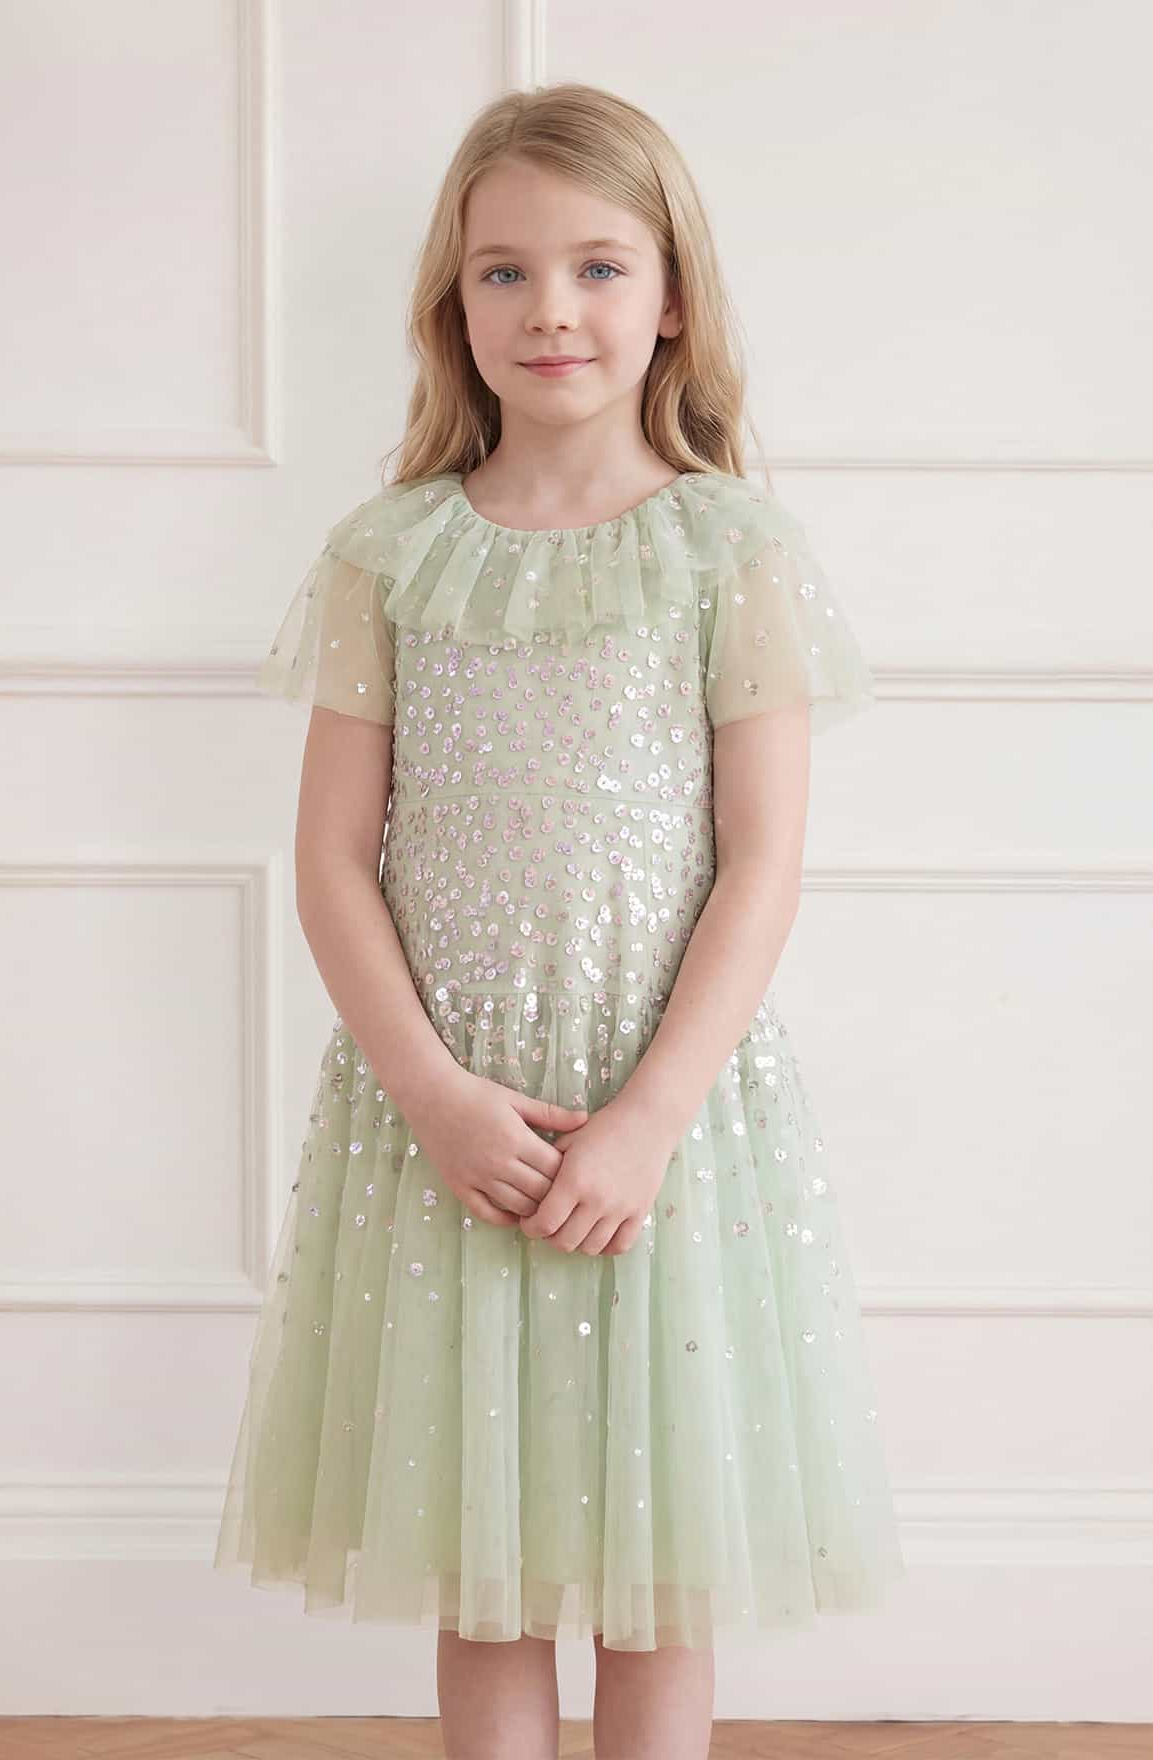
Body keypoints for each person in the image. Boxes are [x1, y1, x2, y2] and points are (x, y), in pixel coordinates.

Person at [214, 80, 905, 1760]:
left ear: (670, 299)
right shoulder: (391, 555)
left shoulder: (729, 551)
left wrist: (652, 1115)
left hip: (666, 1119)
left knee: (661, 1578)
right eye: (504, 272)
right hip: (451, 1122)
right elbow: (330, 861)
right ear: (454, 304)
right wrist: (436, 1096)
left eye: (598, 267)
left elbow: (761, 862)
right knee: (490, 1572)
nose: (551, 310)